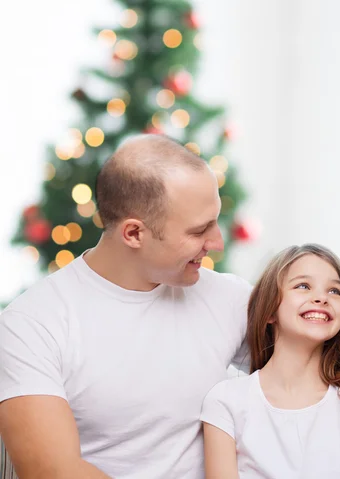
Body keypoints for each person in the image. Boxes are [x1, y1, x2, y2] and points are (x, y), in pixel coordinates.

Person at [0, 135, 251, 478]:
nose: (217, 243)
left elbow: (322, 369)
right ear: (133, 234)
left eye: (216, 221)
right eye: (199, 230)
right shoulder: (32, 325)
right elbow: (54, 471)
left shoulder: (229, 298)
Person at [200, 244, 340, 479]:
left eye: (334, 291)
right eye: (303, 286)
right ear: (269, 311)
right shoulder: (226, 402)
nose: (321, 298)